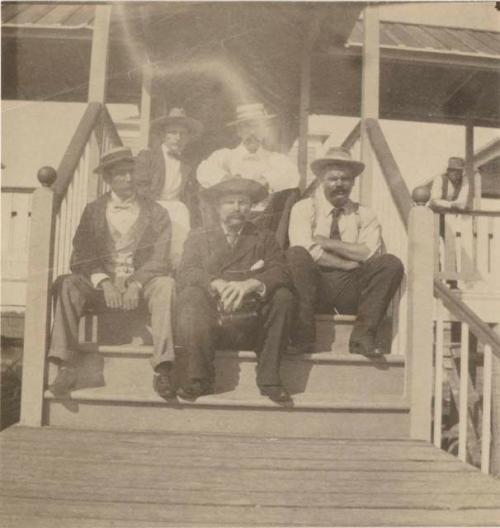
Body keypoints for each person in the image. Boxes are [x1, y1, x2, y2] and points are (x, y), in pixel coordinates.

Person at [48, 146, 177, 400]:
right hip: (100, 289)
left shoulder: (157, 212)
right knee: (68, 284)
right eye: (120, 174)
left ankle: (163, 368)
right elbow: (81, 256)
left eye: (131, 172)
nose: (128, 179)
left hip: (140, 287)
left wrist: (136, 283)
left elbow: (160, 258)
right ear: (108, 178)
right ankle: (65, 366)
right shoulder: (93, 211)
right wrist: (104, 281)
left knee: (166, 285)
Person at [176, 177, 294, 402]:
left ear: (251, 208)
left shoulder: (264, 237)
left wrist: (251, 284)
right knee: (190, 295)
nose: (237, 208)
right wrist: (216, 283)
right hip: (211, 325)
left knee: (283, 296)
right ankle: (198, 377)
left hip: (250, 323)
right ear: (217, 207)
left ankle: (269, 378)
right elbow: (186, 271)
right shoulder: (199, 237)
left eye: (243, 202)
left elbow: (281, 271)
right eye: (230, 202)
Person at [286, 146, 404, 357]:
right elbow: (305, 249)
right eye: (333, 179)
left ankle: (363, 338)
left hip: (351, 289)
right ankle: (303, 336)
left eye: (346, 179)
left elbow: (369, 253)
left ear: (353, 182)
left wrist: (326, 242)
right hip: (315, 287)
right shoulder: (304, 208)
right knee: (296, 256)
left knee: (391, 263)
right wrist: (347, 262)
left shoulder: (365, 215)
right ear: (322, 179)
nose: (339, 184)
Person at [196, 103, 300, 235]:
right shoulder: (226, 155)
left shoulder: (275, 158)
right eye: (246, 126)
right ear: (238, 130)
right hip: (232, 218)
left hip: (267, 219)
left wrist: (264, 180)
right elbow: (203, 170)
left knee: (292, 193)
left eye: (256, 126)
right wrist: (228, 180)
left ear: (265, 130)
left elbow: (292, 175)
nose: (252, 132)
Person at [134, 108, 204, 260]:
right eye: (173, 132)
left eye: (183, 134)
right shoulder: (148, 156)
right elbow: (140, 188)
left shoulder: (187, 163)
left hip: (178, 208)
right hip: (152, 207)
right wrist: (152, 209)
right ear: (163, 135)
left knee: (181, 249)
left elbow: (192, 194)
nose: (178, 137)